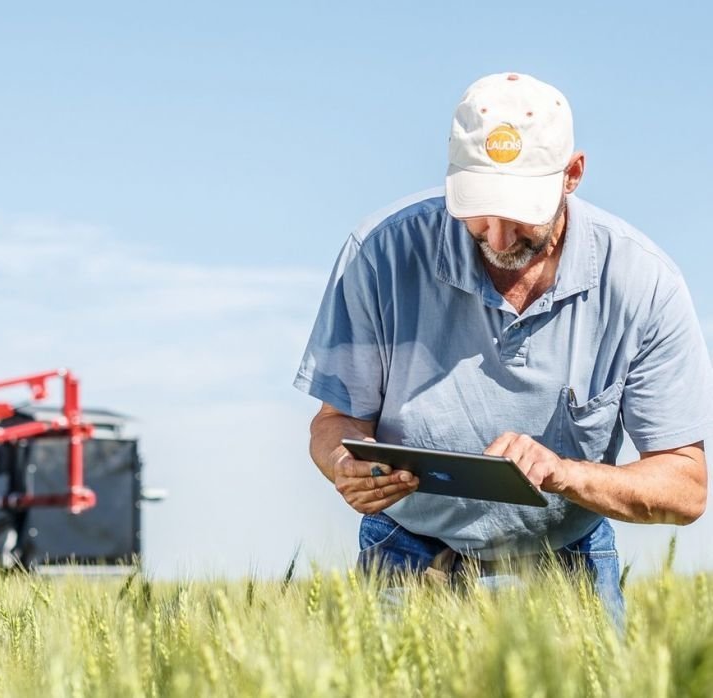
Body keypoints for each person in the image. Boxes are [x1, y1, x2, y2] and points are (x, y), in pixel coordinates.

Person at [294, 72, 713, 617]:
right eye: (478, 209)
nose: (496, 238)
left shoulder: (643, 280)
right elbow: (335, 422)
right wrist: (344, 464)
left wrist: (566, 474)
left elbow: (686, 486)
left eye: (518, 212)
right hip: (403, 557)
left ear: (572, 175)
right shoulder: (380, 254)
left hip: (570, 564)